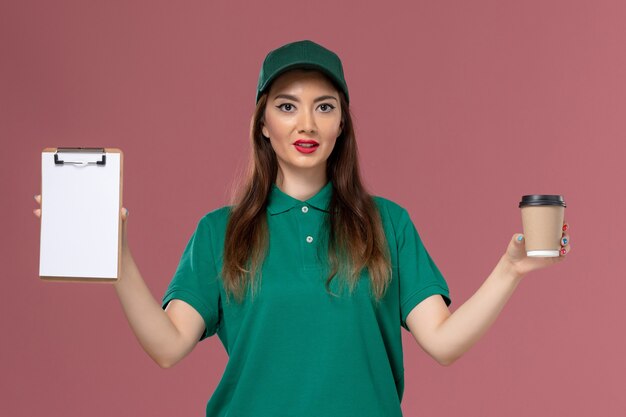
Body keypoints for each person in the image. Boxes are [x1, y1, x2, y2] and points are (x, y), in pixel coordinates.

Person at [34, 40, 571, 417]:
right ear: (264, 124)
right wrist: (116, 254)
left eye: (324, 107)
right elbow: (169, 346)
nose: (306, 124)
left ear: (342, 124)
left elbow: (445, 341)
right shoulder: (219, 232)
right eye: (287, 106)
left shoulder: (389, 224)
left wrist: (511, 269)